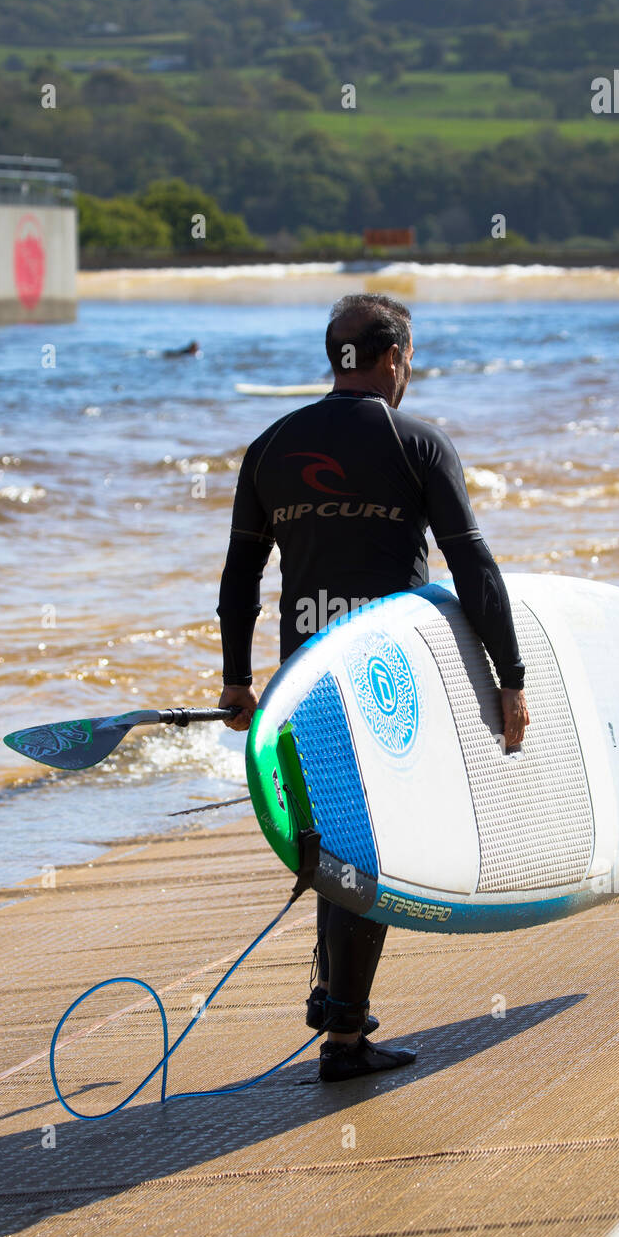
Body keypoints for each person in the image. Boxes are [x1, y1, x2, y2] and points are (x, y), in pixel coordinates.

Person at [216, 294, 529, 1081]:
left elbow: (238, 582)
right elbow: (473, 566)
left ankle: (336, 1005)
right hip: (387, 677)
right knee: (369, 845)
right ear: (391, 357)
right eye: (409, 361)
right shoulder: (415, 443)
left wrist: (236, 681)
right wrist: (510, 677)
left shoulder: (269, 447)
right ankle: (345, 1037)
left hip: (300, 679)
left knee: (340, 839)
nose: (408, 375)